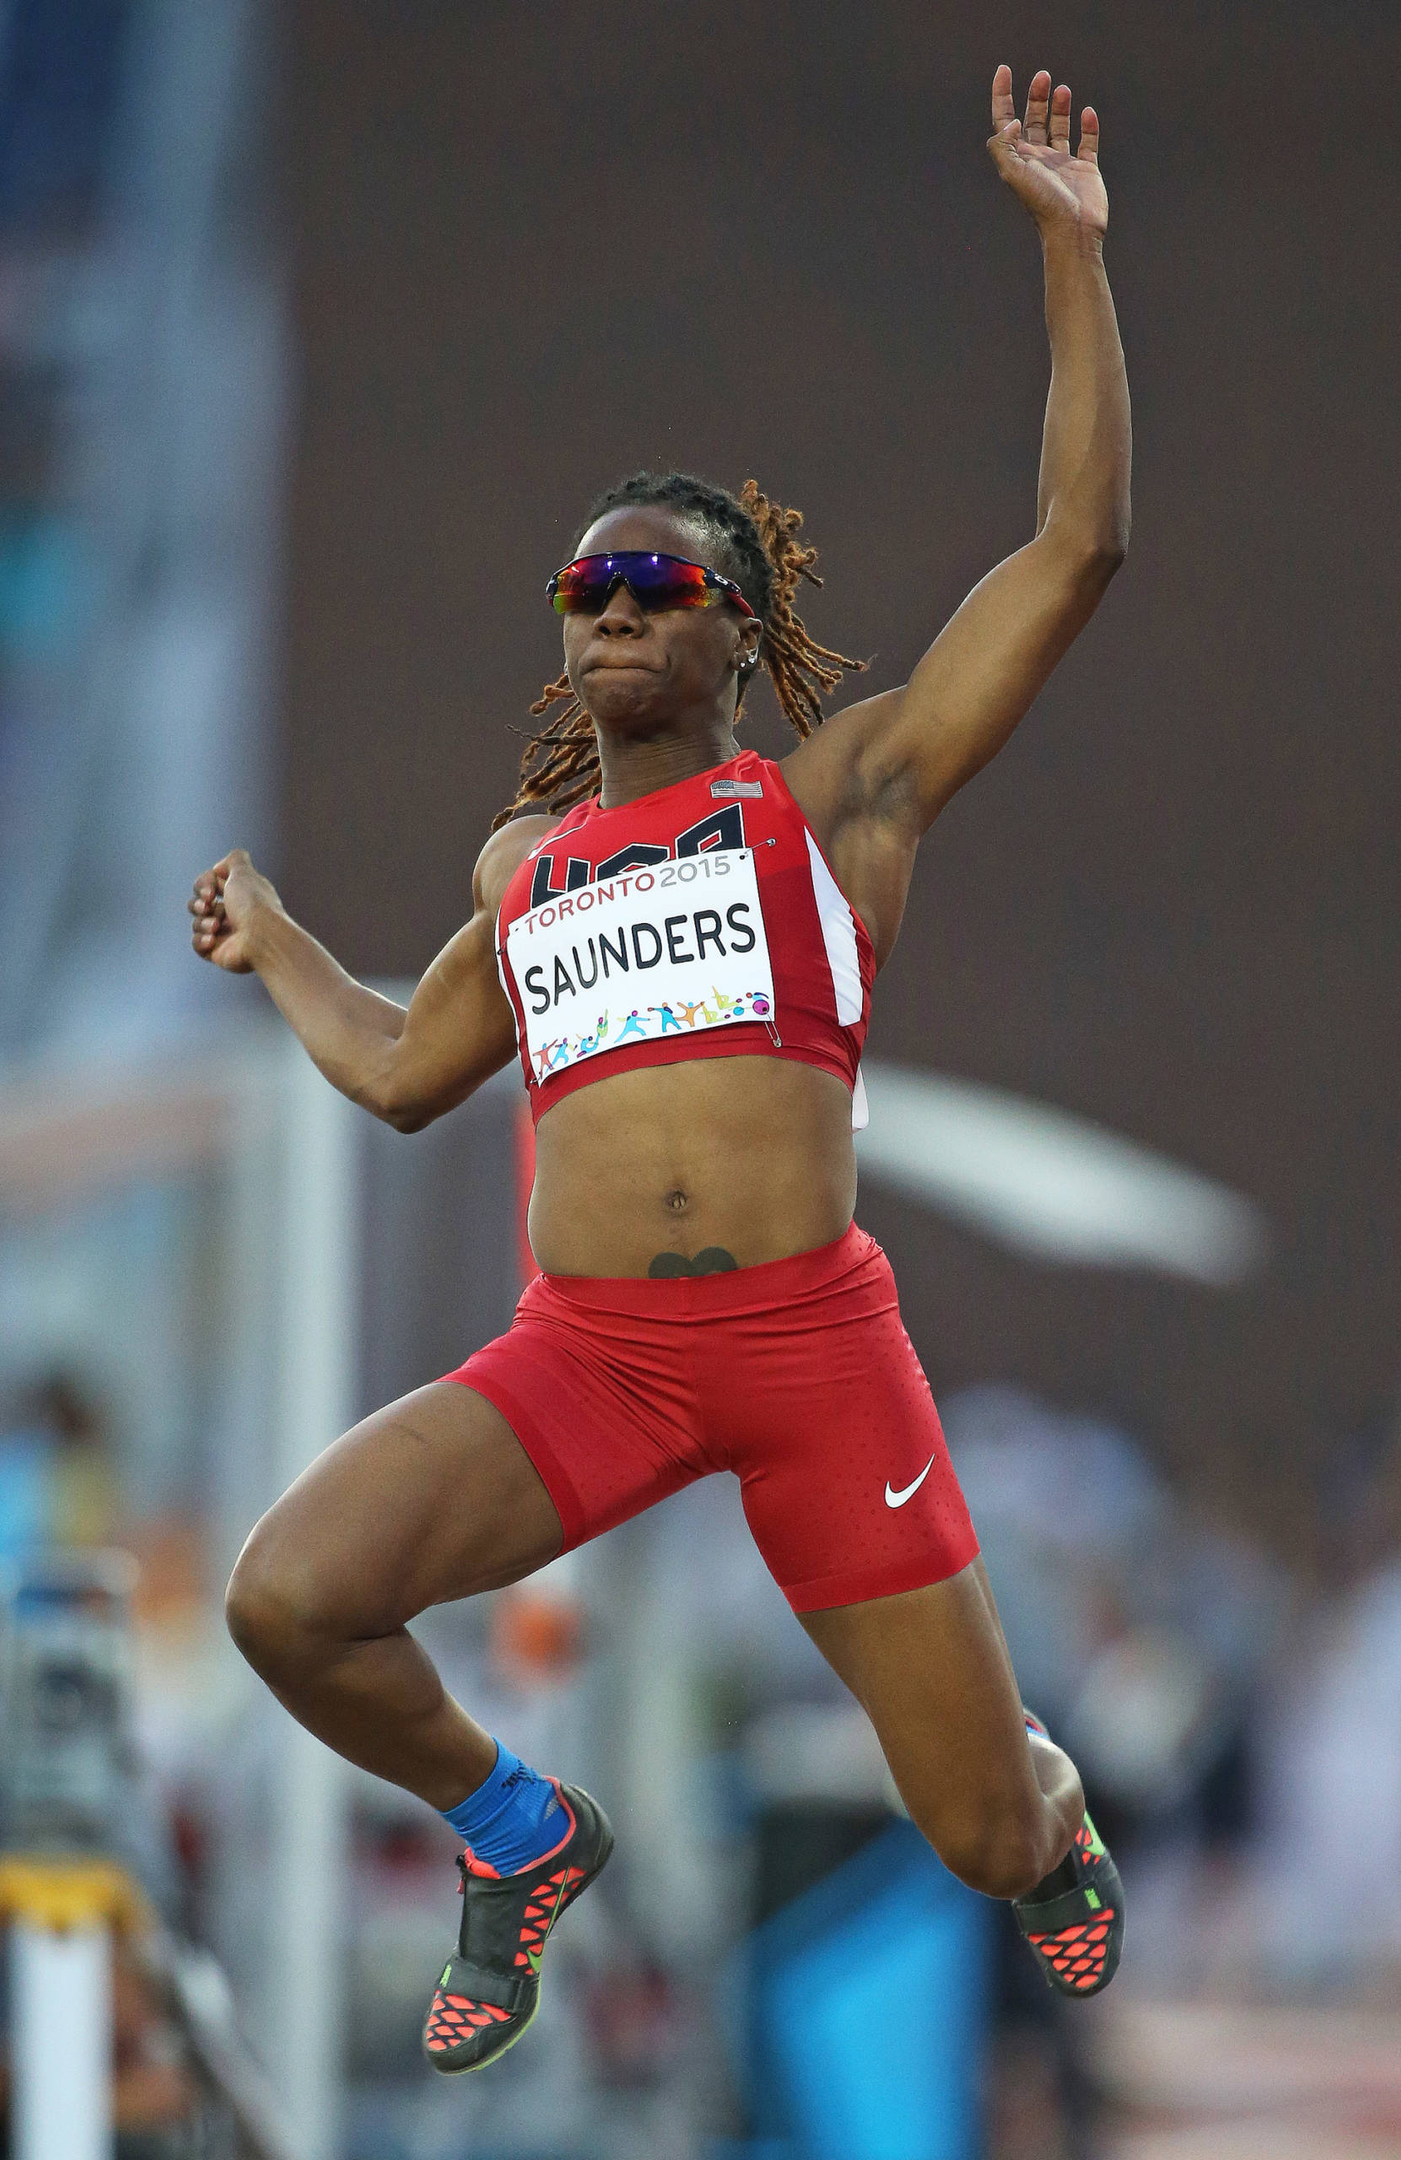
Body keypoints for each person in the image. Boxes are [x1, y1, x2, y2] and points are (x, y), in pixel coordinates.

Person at [191, 65, 1131, 2073]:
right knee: (287, 1600)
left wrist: (1066, 247)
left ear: (732, 629)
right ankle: (519, 1835)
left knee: (975, 1837)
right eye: (587, 590)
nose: (613, 610)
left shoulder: (837, 799)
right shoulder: (521, 871)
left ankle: (1048, 1808)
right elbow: (395, 1071)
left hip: (808, 1349)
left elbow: (1071, 547)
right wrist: (278, 951)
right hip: (588, 1359)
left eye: (656, 586)